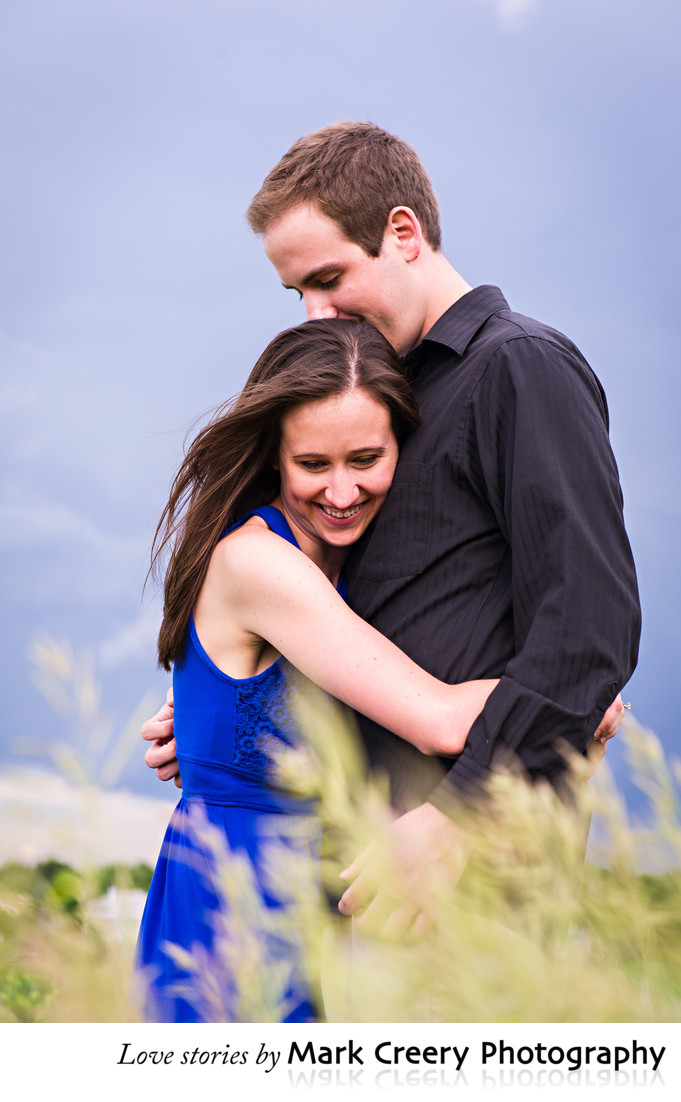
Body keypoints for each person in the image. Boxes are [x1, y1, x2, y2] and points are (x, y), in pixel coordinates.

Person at [144, 121, 639, 936]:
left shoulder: (518, 367)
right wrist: (221, 721)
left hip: (460, 871)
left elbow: (586, 629)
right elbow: (353, 614)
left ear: (402, 233)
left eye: (330, 277)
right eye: (296, 293)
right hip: (350, 879)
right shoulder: (376, 397)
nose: (315, 312)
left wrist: (459, 816)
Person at [135, 317, 500, 1023]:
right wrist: (572, 692)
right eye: (313, 464)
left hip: (318, 908)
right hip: (234, 910)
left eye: (365, 459)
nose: (340, 492)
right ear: (274, 455)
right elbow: (439, 718)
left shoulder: (358, 567)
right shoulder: (259, 562)